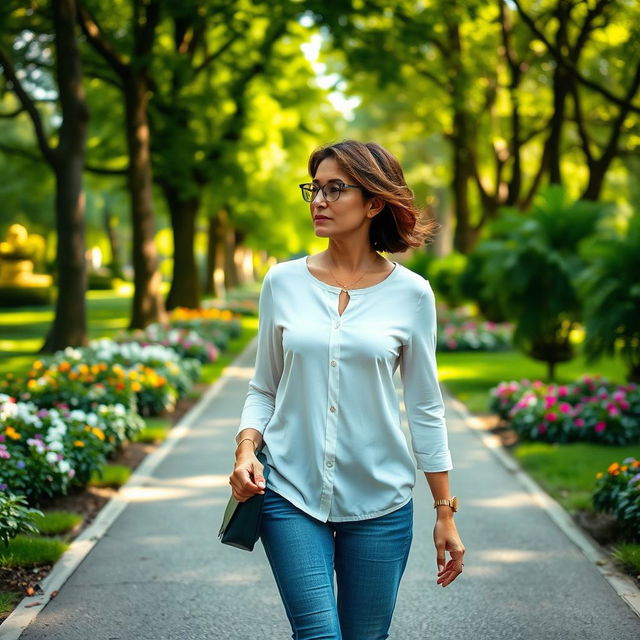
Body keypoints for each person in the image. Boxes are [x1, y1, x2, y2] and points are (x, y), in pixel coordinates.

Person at [228, 139, 465, 640]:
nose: (319, 200)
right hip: (289, 492)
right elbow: (263, 386)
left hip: (382, 501)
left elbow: (425, 406)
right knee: (317, 635)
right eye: (314, 188)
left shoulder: (412, 293)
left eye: (336, 189)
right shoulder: (282, 282)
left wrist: (444, 512)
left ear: (374, 202)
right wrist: (246, 449)